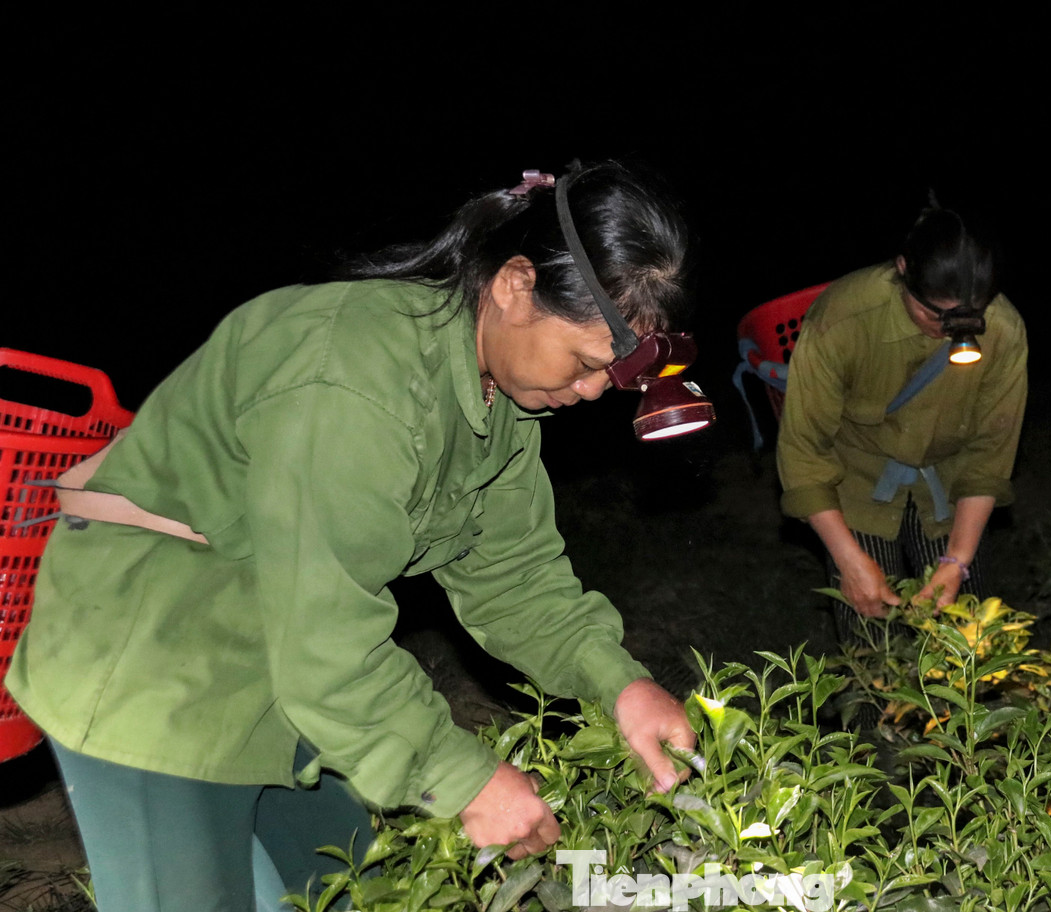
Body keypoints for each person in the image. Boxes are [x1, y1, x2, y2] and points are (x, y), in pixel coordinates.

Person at [8, 161, 698, 912]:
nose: (594, 391)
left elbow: (516, 579)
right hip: (151, 651)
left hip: (284, 656)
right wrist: (465, 779)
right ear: (513, 284)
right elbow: (329, 632)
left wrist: (620, 682)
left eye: (612, 375)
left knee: (348, 892)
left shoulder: (503, 403)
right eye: (588, 362)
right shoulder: (353, 377)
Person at [776, 205, 1027, 632]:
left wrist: (958, 562)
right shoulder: (842, 320)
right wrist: (849, 561)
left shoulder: (1003, 331)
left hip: (949, 486)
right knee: (872, 643)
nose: (950, 332)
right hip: (856, 482)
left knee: (965, 638)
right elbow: (804, 452)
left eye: (968, 319)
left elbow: (989, 455)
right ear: (903, 269)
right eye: (936, 316)